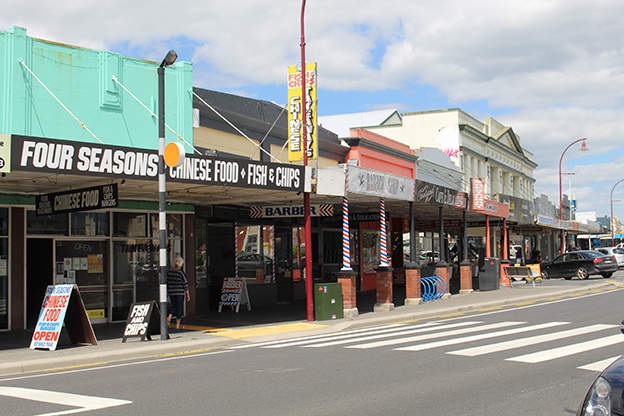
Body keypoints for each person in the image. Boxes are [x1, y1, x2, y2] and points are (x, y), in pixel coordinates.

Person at [167, 257, 190, 329]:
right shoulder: (181, 272)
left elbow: (166, 282)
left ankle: (169, 317)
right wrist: (188, 294)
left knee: (174, 305)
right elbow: (185, 283)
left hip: (171, 292)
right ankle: (177, 324)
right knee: (179, 307)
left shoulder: (169, 272)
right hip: (180, 292)